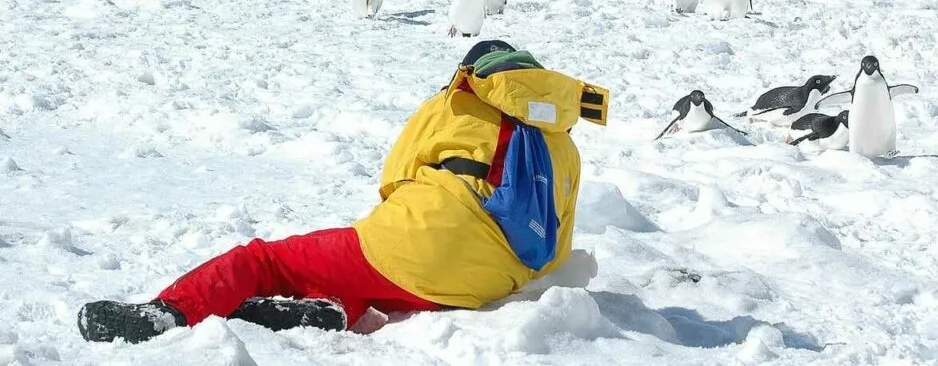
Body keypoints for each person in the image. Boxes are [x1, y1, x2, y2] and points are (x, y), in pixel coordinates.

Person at [77, 42, 608, 344]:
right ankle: (333, 310)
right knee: (366, 276)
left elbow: (396, 178)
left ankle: (166, 314)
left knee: (267, 259)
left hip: (419, 246)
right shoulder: (563, 144)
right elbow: (557, 245)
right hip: (488, 282)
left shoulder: (457, 99)